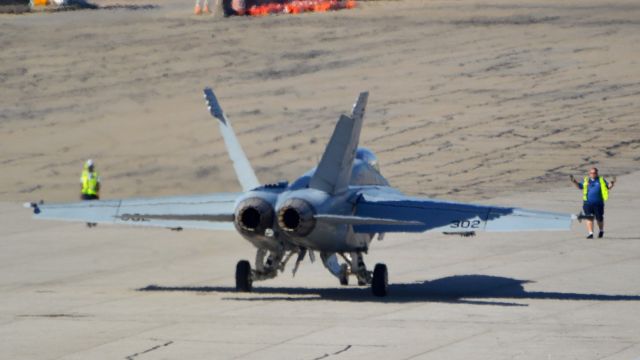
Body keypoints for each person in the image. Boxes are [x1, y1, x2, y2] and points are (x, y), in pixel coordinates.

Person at [570, 167, 615, 239]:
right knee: (589, 218)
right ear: (589, 174)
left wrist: (611, 184)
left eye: (594, 173)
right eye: (591, 173)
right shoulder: (586, 180)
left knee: (599, 218)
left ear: (597, 173)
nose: (593, 174)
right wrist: (574, 181)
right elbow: (579, 186)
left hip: (598, 203)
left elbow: (608, 186)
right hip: (588, 203)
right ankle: (590, 233)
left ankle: (601, 230)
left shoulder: (601, 180)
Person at [80, 159, 100, 227]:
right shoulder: (84, 174)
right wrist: (82, 193)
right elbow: (82, 184)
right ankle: (88, 221)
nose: (91, 167)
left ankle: (94, 221)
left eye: (92, 166)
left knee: (94, 208)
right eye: (90, 166)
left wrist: (97, 192)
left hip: (93, 194)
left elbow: (98, 184)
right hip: (86, 194)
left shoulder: (95, 174)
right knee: (87, 208)